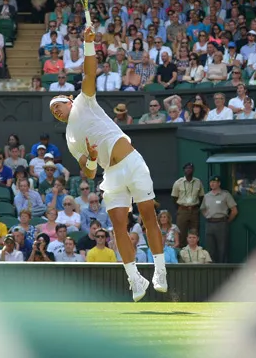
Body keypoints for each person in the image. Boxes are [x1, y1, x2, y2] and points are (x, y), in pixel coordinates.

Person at [49, 26, 167, 302]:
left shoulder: (83, 101)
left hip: (132, 162)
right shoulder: (69, 138)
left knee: (149, 216)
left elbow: (89, 73)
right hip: (110, 175)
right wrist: (90, 157)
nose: (56, 111)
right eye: (53, 111)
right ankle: (135, 279)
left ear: (68, 101)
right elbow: (88, 172)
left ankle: (159, 270)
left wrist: (89, 44)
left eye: (58, 105)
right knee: (117, 226)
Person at [199, 176, 238, 263]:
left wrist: (227, 221)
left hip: (221, 223)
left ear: (219, 183)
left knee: (222, 248)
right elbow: (202, 209)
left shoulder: (225, 195)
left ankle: (222, 269)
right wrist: (208, 216)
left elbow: (234, 211)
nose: (212, 184)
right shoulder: (207, 196)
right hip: (210, 224)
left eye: (214, 182)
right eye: (211, 182)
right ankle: (212, 270)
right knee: (210, 248)